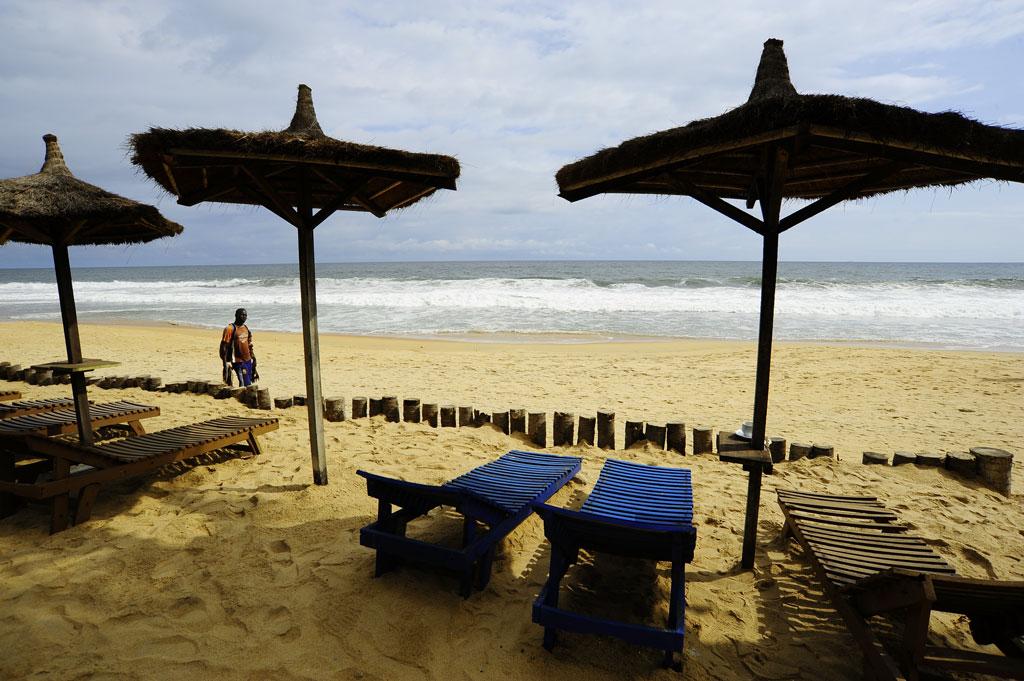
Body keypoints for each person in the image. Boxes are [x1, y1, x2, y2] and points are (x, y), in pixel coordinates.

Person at [220, 308, 258, 387]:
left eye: (245, 315)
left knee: (248, 383)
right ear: (236, 315)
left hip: (248, 360)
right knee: (243, 383)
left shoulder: (246, 328)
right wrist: (225, 363)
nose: (244, 317)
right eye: (242, 315)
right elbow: (224, 347)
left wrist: (253, 358)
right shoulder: (230, 329)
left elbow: (249, 344)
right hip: (237, 361)